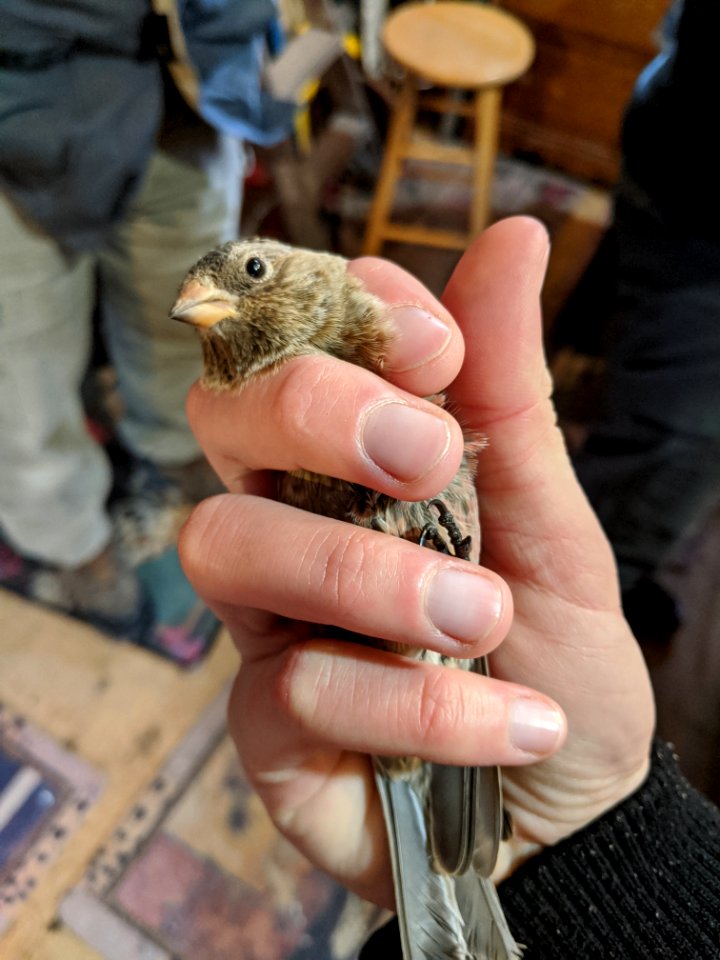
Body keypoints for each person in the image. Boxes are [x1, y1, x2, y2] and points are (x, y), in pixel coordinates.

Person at [178, 217, 720, 957]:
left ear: (304, 271)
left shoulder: (387, 348)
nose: (206, 300)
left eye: (250, 273)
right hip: (423, 718)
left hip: (476, 708)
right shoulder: (296, 411)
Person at [0, 1, 294, 642]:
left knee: (193, 316)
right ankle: (69, 538)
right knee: (19, 372)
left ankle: (179, 443)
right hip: (19, 93)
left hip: (186, 80)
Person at [562, 0, 720, 643]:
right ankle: (594, 592)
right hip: (700, 195)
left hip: (682, 145)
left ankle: (612, 569)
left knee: (668, 429)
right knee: (669, 441)